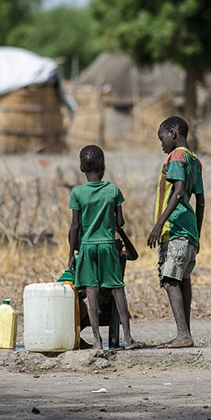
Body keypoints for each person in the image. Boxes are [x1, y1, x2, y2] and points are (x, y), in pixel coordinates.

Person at [68, 145, 142, 350]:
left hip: (87, 247)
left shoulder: (77, 193)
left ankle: (97, 342)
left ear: (82, 168)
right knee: (117, 290)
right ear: (103, 167)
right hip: (108, 245)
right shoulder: (113, 190)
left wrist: (71, 254)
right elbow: (120, 221)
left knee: (92, 292)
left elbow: (75, 226)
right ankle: (127, 339)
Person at [147, 116, 205, 349]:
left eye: (161, 138)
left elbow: (179, 191)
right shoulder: (195, 160)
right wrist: (197, 235)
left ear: (173, 133)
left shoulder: (177, 156)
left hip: (176, 228)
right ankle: (185, 333)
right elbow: (200, 201)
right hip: (189, 229)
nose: (161, 145)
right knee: (183, 279)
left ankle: (183, 334)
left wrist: (159, 223)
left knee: (170, 280)